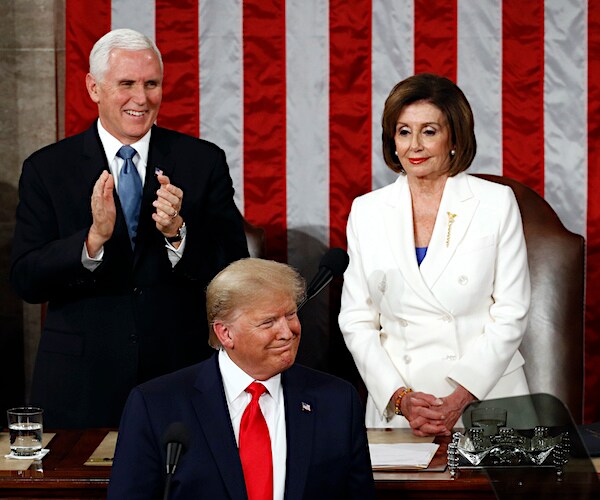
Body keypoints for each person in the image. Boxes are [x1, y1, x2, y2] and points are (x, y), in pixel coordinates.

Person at [10, 29, 249, 428]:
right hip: (82, 383)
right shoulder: (47, 168)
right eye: (126, 84)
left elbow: (235, 272)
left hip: (179, 375)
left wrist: (178, 234)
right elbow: (26, 280)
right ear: (93, 88)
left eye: (151, 84)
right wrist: (92, 241)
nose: (141, 98)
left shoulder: (201, 161)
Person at [338, 73, 531, 436]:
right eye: (403, 131)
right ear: (392, 140)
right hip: (401, 406)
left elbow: (512, 311)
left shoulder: (494, 202)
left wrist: (461, 395)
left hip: (487, 399)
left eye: (429, 131)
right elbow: (356, 320)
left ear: (454, 138)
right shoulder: (367, 211)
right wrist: (399, 396)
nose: (415, 146)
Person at [107, 258, 375, 500]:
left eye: (291, 314)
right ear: (225, 334)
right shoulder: (157, 405)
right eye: (268, 322)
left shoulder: (337, 400)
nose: (287, 332)